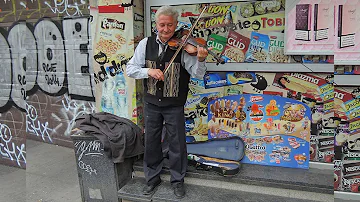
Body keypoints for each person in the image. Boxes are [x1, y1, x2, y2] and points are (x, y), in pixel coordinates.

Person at [126, 5, 210, 199]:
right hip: (152, 103)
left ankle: (177, 180)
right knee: (152, 142)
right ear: (156, 24)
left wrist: (201, 60)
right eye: (162, 25)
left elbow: (197, 74)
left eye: (170, 25)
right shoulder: (145, 44)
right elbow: (131, 69)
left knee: (177, 143)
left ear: (176, 25)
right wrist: (148, 71)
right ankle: (152, 179)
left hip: (174, 104)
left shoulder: (184, 46)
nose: (166, 29)